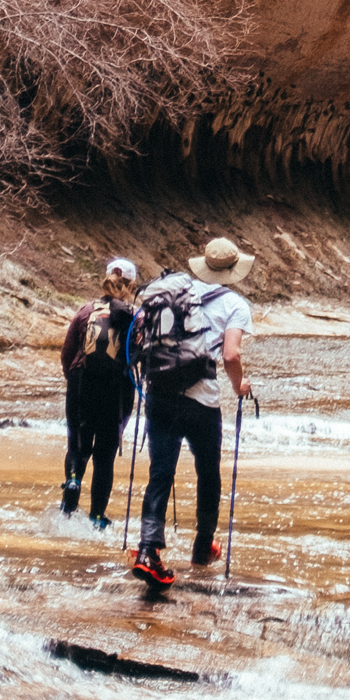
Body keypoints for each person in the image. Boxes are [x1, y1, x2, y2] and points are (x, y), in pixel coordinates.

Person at [128, 234, 255, 588]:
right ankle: (202, 549)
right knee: (208, 473)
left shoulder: (176, 292)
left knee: (161, 473)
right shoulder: (236, 305)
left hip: (160, 394)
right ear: (233, 270)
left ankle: (148, 551)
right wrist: (239, 385)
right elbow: (231, 356)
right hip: (202, 400)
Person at [59, 256, 140, 527]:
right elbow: (139, 356)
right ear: (132, 285)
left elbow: (67, 353)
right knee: (104, 456)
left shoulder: (85, 311)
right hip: (116, 390)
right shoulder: (135, 317)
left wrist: (73, 381)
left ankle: (71, 490)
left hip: (82, 382)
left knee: (78, 444)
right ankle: (96, 517)